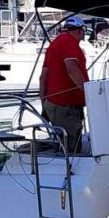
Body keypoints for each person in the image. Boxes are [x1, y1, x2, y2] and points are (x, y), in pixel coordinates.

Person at [39, 15, 89, 153]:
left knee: (61, 146)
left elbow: (43, 77)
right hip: (66, 106)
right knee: (71, 148)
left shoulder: (54, 45)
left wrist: (44, 103)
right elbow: (71, 68)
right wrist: (88, 91)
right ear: (80, 30)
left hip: (53, 104)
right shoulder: (69, 42)